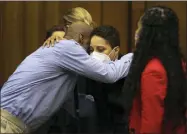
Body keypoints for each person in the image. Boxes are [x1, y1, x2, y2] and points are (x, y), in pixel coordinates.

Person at [0, 22, 133, 133]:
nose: (91, 54)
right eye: (90, 48)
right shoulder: (69, 48)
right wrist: (135, 55)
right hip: (6, 123)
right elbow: (109, 74)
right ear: (81, 38)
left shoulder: (54, 47)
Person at [116, 6, 186, 134]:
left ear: (148, 34)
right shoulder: (179, 63)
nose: (136, 33)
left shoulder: (153, 71)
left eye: (139, 28)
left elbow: (152, 121)